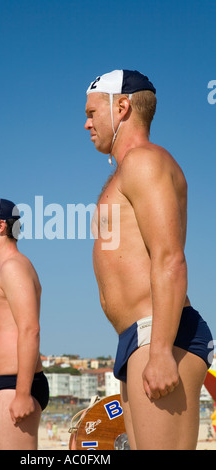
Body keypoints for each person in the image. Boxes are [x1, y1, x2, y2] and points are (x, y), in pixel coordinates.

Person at [84, 69, 214, 449]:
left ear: (122, 107)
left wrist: (159, 351)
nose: (86, 123)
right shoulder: (126, 171)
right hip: (138, 338)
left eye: (92, 113)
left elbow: (170, 259)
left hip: (161, 333)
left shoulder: (144, 161)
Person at [0, 198, 49, 450]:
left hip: (15, 384)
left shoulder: (14, 267)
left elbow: (30, 328)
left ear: (1, 226)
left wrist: (23, 393)